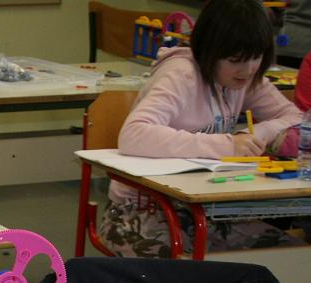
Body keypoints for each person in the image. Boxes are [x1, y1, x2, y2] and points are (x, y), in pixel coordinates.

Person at [99, 0, 304, 258]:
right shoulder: (181, 75)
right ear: (209, 51)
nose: (248, 69)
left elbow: (294, 117)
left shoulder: (245, 77)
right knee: (188, 274)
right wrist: (228, 145)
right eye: (235, 60)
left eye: (256, 57)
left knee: (290, 257)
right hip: (140, 210)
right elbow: (134, 134)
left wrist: (255, 134)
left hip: (203, 208)